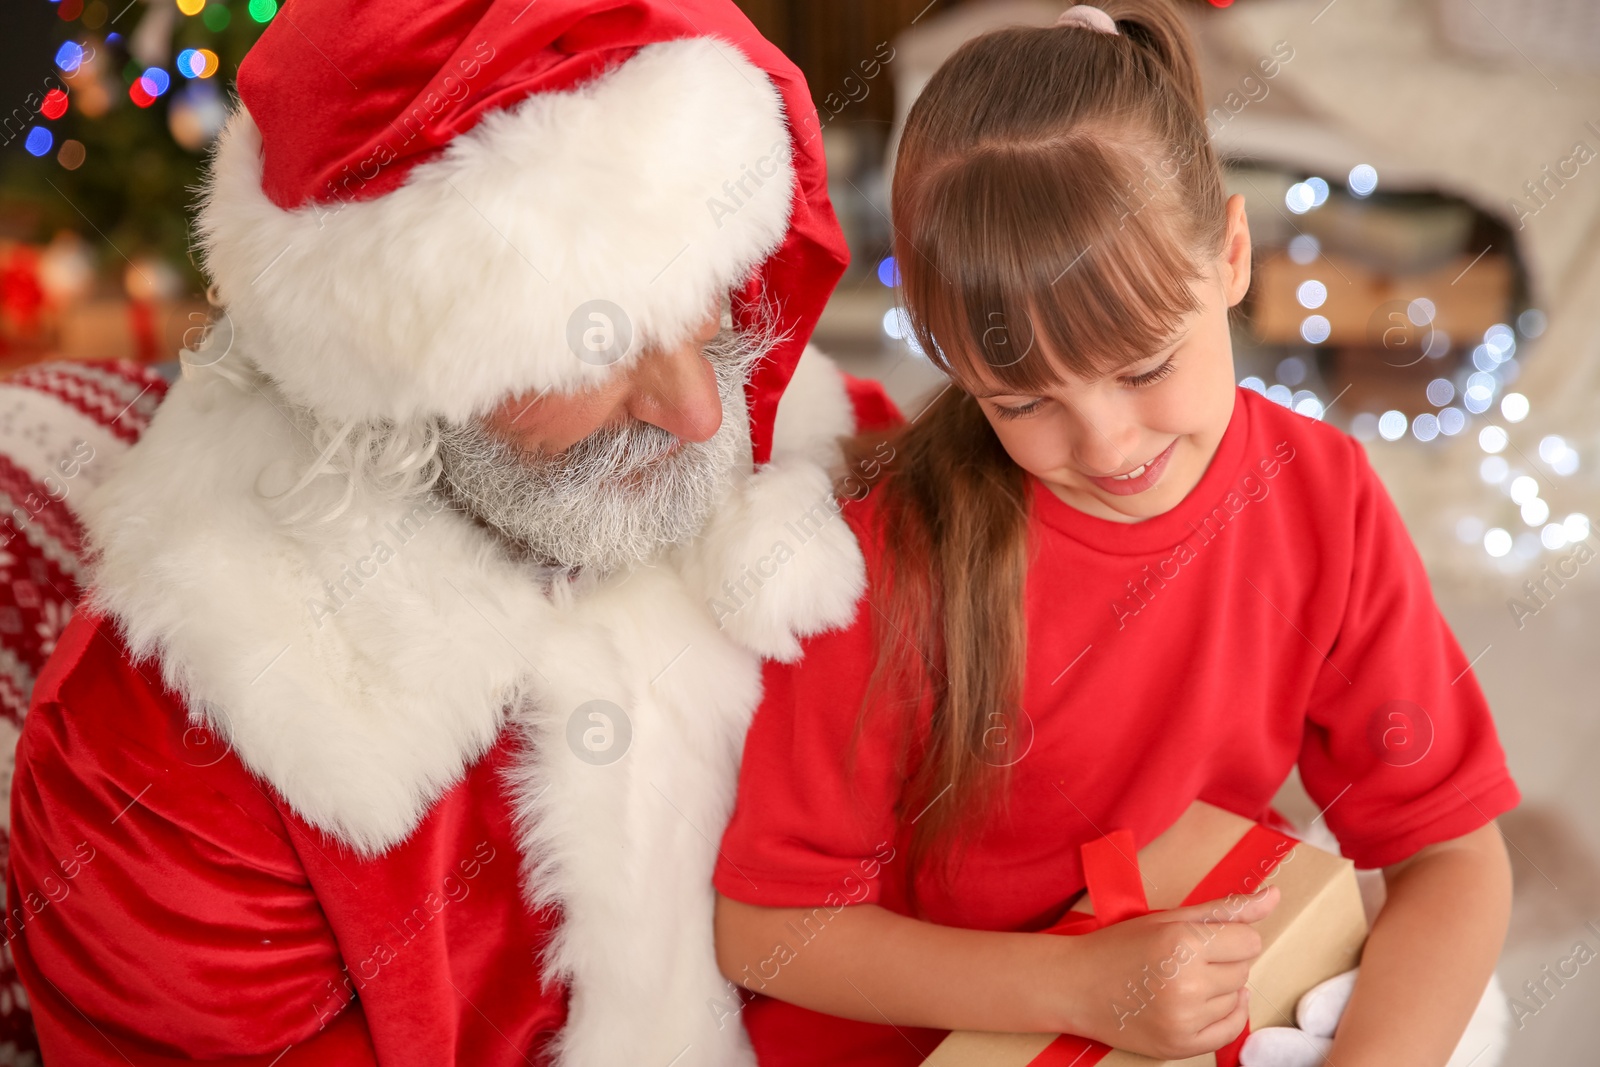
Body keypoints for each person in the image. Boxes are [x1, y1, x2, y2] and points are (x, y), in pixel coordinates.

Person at [4, 1, 901, 1064]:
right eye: (591, 355)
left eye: (702, 303)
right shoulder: (167, 763)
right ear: (402, 384)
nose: (705, 414)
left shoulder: (828, 450)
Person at [711, 2, 1520, 1065]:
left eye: (1144, 367)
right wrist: (1080, 986)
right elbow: (767, 931)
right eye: (1020, 400)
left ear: (1231, 256)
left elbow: (1452, 855)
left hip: (1169, 992)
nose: (1105, 443)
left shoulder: (1322, 495)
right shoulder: (883, 558)